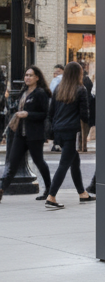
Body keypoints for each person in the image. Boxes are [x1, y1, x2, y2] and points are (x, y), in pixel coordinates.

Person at [45, 62, 94, 208]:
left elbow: (51, 111)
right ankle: (51, 197)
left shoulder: (59, 88)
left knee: (75, 161)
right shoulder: (80, 89)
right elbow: (84, 114)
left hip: (58, 130)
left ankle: (82, 193)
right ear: (79, 74)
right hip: (71, 131)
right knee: (64, 164)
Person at [0, 66, 53, 201]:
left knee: (39, 161)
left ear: (37, 78)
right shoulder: (23, 91)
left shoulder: (40, 93)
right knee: (12, 163)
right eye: (26, 75)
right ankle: (1, 190)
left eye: (30, 75)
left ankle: (49, 190)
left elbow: (44, 114)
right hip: (20, 134)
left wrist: (28, 114)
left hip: (34, 135)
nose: (27, 78)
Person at [49, 65, 63, 150]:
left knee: (56, 124)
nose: (56, 73)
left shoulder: (57, 80)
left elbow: (51, 91)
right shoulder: (67, 80)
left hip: (56, 105)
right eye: (55, 71)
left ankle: (57, 143)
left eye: (58, 71)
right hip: (63, 106)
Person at [80, 65, 94, 152]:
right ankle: (83, 146)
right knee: (85, 128)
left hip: (84, 106)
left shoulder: (82, 81)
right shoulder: (87, 80)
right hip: (88, 106)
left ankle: (82, 146)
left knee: (82, 128)